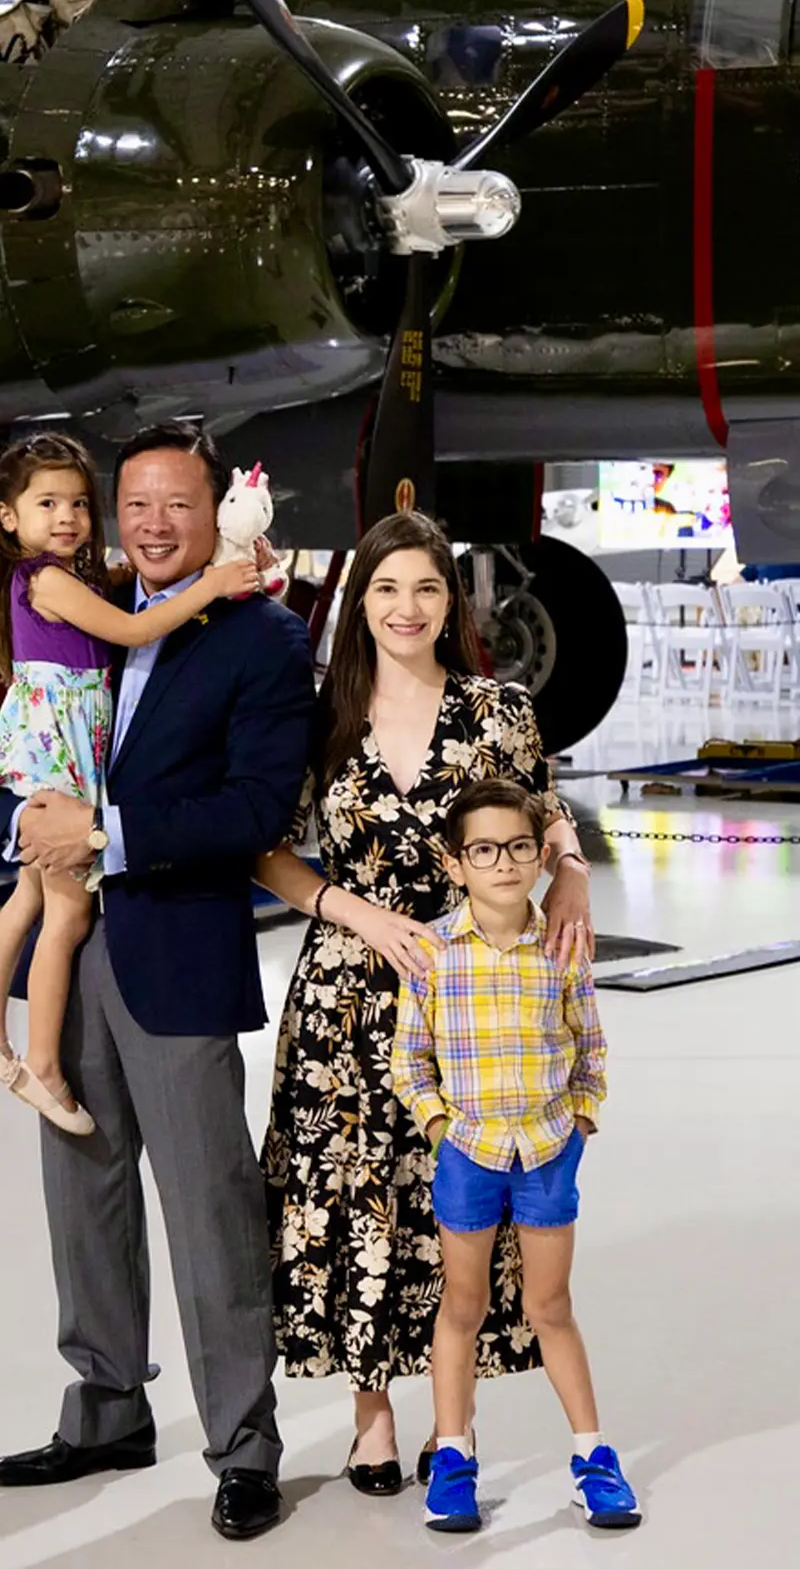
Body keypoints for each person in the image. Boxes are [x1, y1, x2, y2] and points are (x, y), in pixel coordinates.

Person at [0, 422, 315, 1542]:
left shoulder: (261, 637)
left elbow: (257, 810)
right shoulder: (86, 611)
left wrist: (109, 834)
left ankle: (244, 1444)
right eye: (134, 506)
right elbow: (27, 739)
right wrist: (25, 816)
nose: (150, 525)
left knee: (209, 1205)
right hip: (67, 952)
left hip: (174, 945)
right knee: (83, 1190)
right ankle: (107, 1407)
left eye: (176, 503)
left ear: (216, 510)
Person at [256, 511, 594, 1491]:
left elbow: (541, 806)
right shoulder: (318, 718)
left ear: (453, 604)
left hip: (468, 990)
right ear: (358, 604)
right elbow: (268, 849)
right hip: (346, 995)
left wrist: (567, 869)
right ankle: (371, 1413)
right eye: (386, 589)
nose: (406, 609)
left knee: (448, 1203)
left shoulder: (499, 710)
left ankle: (456, 1420)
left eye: (426, 589)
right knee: (354, 1198)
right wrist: (351, 911)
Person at [0, 433, 260, 1134]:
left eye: (79, 504)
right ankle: (43, 1064)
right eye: (47, 503)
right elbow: (131, 630)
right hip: (55, 750)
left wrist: (217, 558)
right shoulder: (48, 578)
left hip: (53, 743)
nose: (67, 517)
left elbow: (125, 589)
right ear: (7, 517)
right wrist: (212, 584)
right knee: (65, 914)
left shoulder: (69, 575)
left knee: (29, 895)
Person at [393, 777, 640, 1533]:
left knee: (549, 1306)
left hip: (545, 1151)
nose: (504, 862)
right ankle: (454, 1458)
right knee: (462, 1306)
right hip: (467, 1153)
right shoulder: (435, 953)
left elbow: (590, 1046)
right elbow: (411, 1062)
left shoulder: (561, 948)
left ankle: (594, 1458)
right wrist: (441, 1130)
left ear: (540, 857)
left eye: (519, 848)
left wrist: (580, 1125)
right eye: (485, 850)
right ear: (455, 862)